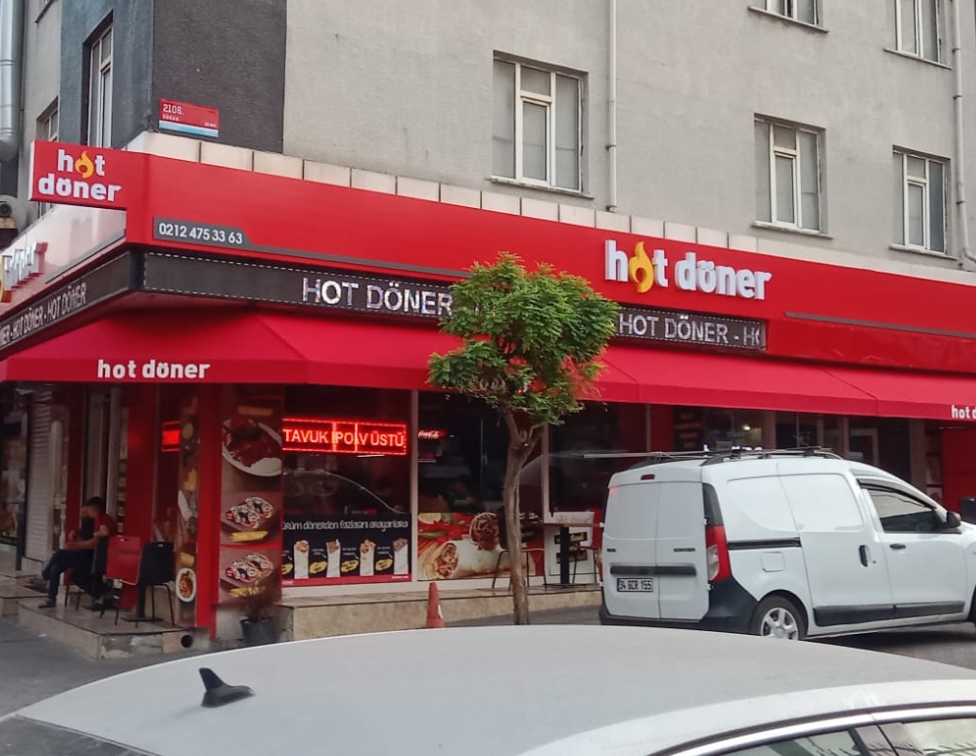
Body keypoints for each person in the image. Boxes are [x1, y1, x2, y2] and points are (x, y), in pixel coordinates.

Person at [35, 496, 117, 609]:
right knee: (56, 566)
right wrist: (76, 535)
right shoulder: (89, 521)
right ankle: (51, 598)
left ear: (92, 508)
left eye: (86, 509)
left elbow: (96, 541)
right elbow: (84, 536)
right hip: (85, 554)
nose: (84, 512)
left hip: (94, 557)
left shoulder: (101, 518)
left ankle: (44, 576)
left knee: (59, 554)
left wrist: (77, 545)